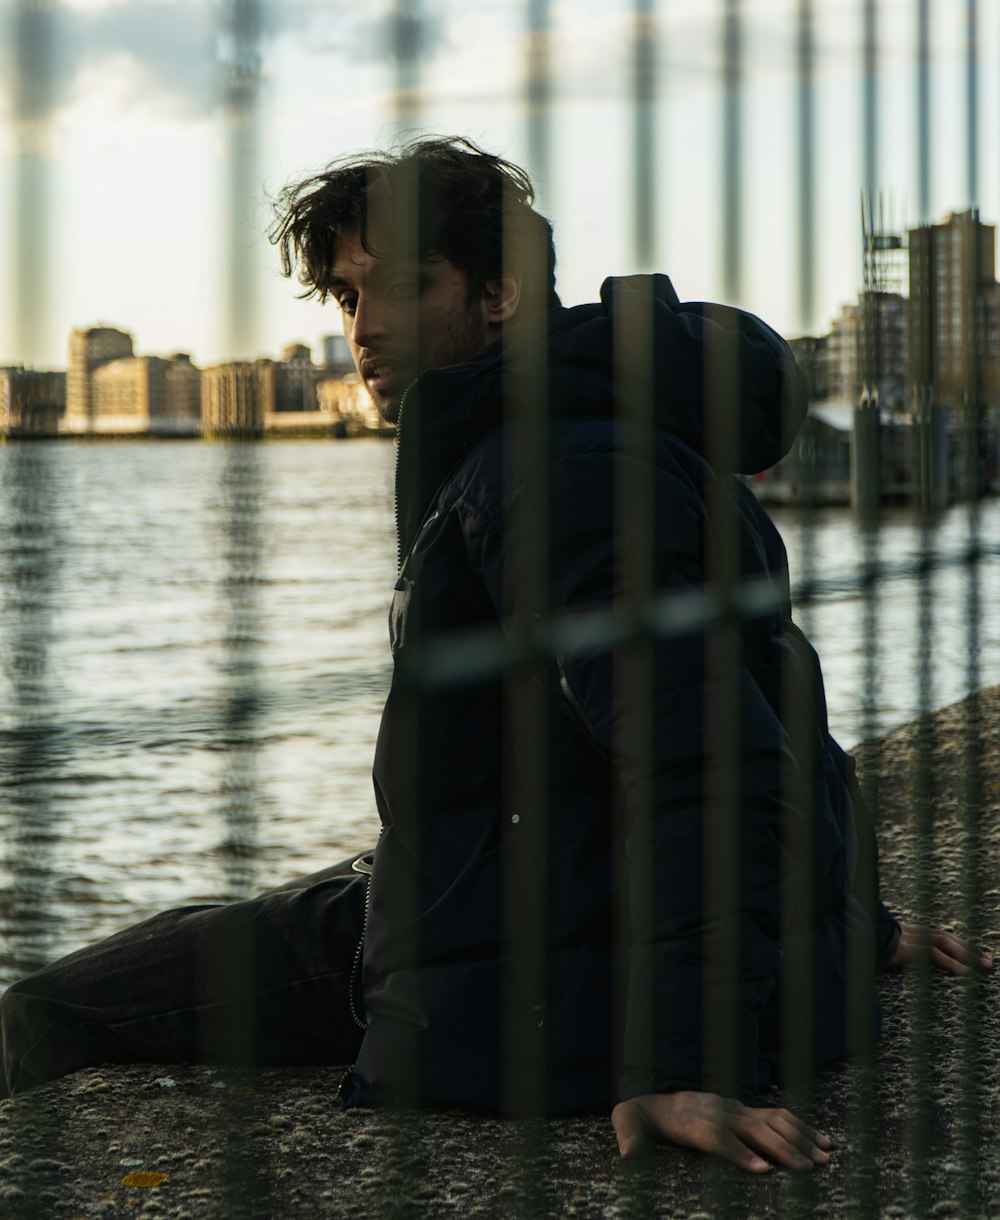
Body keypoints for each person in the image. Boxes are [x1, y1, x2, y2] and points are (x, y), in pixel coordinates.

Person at [0, 138, 990, 1176]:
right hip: (536, 875)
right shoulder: (602, 427)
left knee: (44, 1008)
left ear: (501, 292)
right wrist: (839, 925)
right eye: (343, 295)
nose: (362, 328)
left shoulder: (551, 464)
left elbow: (703, 749)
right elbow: (767, 686)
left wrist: (683, 1056)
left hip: (520, 957)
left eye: (401, 286)